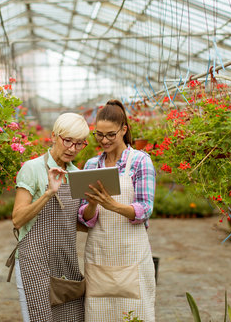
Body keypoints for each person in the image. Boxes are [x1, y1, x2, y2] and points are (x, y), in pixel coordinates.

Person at [78, 99, 156, 321]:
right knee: (98, 314)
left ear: (124, 129)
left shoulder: (140, 162)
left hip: (132, 254)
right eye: (99, 135)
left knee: (135, 314)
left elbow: (145, 209)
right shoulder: (92, 165)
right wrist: (92, 203)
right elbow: (85, 218)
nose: (104, 140)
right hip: (99, 255)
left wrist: (113, 206)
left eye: (110, 134)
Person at [10, 112, 90, 322]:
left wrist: (97, 201)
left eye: (79, 143)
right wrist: (48, 193)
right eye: (68, 141)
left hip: (65, 262)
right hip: (34, 262)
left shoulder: (76, 175)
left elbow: (78, 223)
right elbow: (17, 219)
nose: (72, 149)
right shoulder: (32, 168)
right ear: (54, 136)